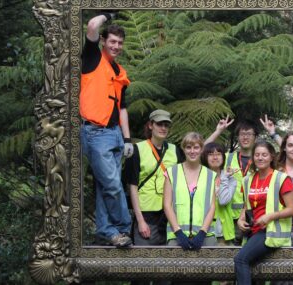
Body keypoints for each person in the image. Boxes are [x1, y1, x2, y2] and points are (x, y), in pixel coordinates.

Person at [80, 13, 133, 247]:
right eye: (112, 41)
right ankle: (124, 227)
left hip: (115, 135)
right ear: (103, 41)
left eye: (120, 43)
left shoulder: (119, 71)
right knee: (112, 184)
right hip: (96, 133)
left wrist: (128, 138)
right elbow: (91, 25)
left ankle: (107, 232)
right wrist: (109, 14)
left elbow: (122, 108)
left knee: (105, 187)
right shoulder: (93, 58)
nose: (116, 46)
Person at [234, 141, 293, 285]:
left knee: (240, 260)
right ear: (253, 158)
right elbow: (247, 205)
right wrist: (240, 219)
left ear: (271, 157)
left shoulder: (281, 178)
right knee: (255, 273)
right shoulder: (247, 180)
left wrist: (270, 216)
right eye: (257, 155)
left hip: (270, 232)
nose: (260, 158)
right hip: (252, 232)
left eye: (264, 155)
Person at [123, 109, 184, 247]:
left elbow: (195, 156)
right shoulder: (137, 149)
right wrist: (140, 221)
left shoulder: (175, 150)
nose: (163, 128)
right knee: (144, 263)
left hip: (168, 217)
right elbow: (132, 186)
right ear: (151, 125)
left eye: (166, 125)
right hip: (146, 216)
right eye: (159, 124)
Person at [205, 117, 258, 245]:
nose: (245, 137)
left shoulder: (261, 159)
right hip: (228, 217)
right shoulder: (227, 157)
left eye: (249, 134)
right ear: (238, 137)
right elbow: (202, 150)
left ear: (255, 137)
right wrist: (218, 131)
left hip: (254, 217)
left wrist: (273, 134)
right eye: (242, 134)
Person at [163, 132, 217, 251]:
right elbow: (167, 205)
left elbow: (212, 206)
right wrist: (178, 232)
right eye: (188, 147)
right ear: (183, 148)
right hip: (176, 235)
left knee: (209, 269)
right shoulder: (171, 172)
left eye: (196, 147)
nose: (192, 151)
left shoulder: (210, 175)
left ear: (202, 149)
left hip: (205, 235)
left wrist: (203, 232)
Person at [201, 142, 238, 246]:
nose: (215, 157)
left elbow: (223, 201)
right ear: (205, 157)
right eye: (211, 154)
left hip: (223, 231)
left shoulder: (231, 180)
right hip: (204, 228)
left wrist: (224, 178)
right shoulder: (200, 178)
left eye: (218, 154)